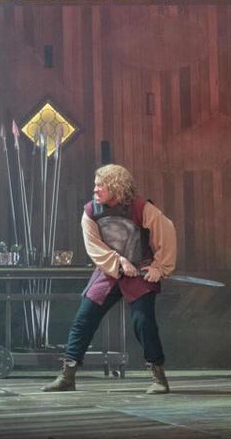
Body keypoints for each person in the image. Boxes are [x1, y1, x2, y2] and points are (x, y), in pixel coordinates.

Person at [42, 164, 177, 395]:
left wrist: (159, 267)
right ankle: (67, 377)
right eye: (95, 185)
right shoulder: (90, 211)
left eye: (100, 186)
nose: (95, 190)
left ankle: (159, 378)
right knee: (84, 320)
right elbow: (94, 246)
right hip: (109, 271)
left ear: (115, 187)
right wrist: (119, 262)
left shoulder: (141, 208)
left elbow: (167, 231)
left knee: (143, 322)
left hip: (139, 271)